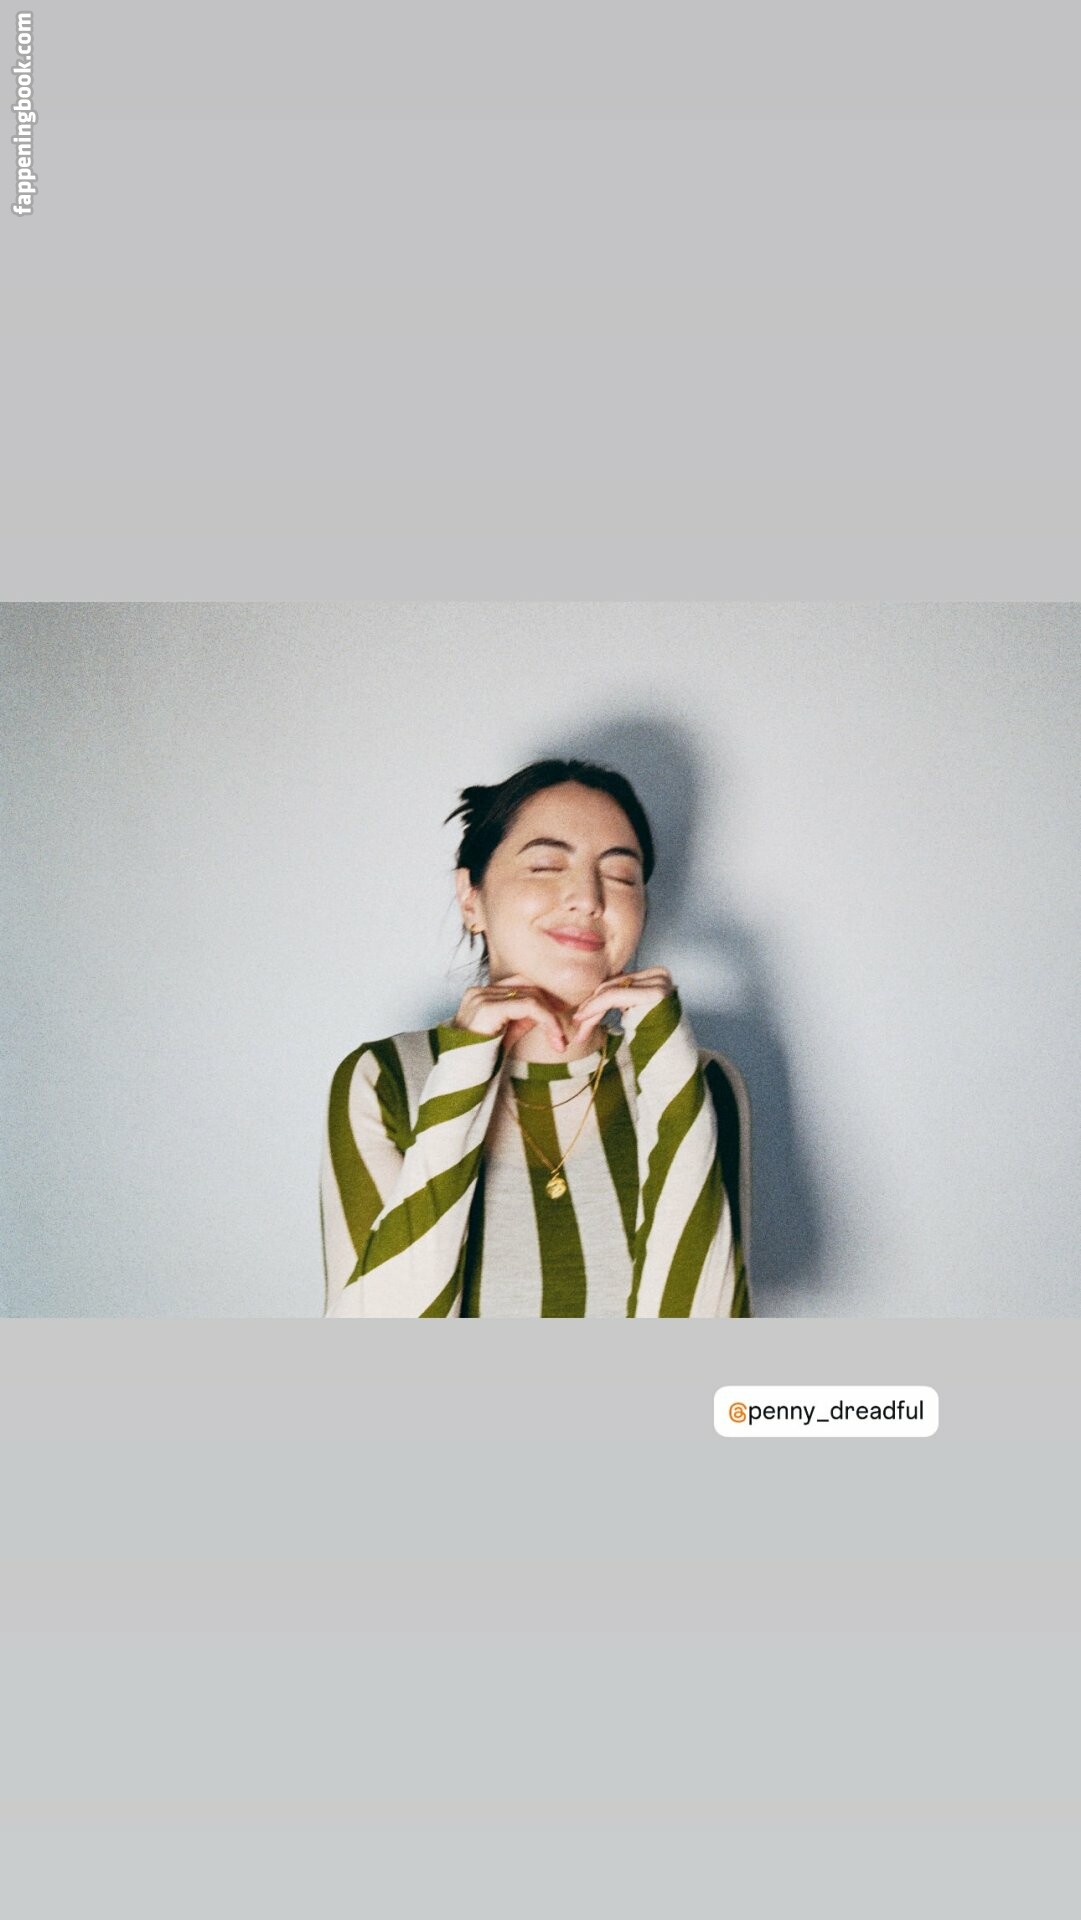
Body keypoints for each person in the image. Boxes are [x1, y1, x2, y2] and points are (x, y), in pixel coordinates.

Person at [319, 759, 750, 1317]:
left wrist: (668, 1059)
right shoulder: (386, 1079)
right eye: (546, 865)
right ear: (471, 898)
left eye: (621, 875)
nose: (588, 897)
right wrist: (466, 1065)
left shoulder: (700, 1080)